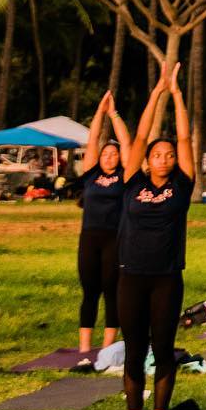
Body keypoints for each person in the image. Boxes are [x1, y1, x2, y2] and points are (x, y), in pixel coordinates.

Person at [115, 62, 194, 410]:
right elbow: (141, 135)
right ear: (147, 160)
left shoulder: (181, 186)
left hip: (166, 278)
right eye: (157, 155)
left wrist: (176, 95)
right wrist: (157, 92)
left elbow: (185, 136)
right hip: (131, 276)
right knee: (133, 350)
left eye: (169, 154)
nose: (163, 158)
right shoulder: (132, 182)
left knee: (162, 349)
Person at [76, 89, 129, 356]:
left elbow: (127, 143)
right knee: (90, 291)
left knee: (111, 290)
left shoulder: (125, 176)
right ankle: (84, 347)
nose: (109, 157)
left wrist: (114, 114)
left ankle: (107, 348)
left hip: (114, 237)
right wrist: (99, 112)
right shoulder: (90, 173)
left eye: (113, 154)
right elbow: (93, 138)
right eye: (105, 153)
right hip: (90, 237)